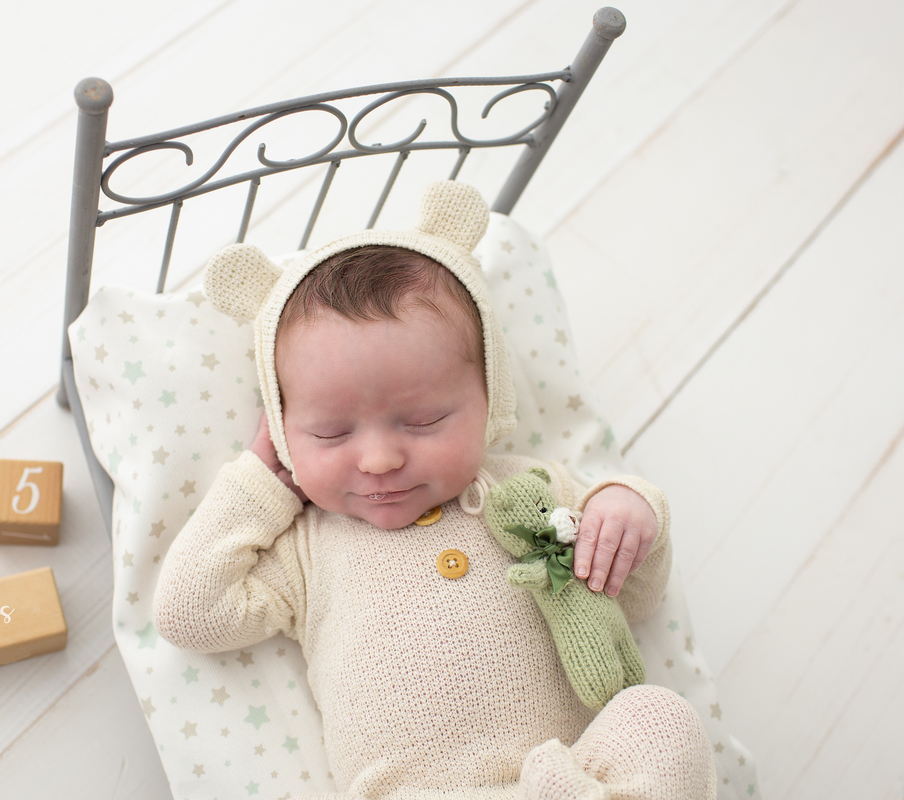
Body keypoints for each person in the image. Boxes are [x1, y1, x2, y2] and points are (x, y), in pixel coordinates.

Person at [155, 182, 715, 799]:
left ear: (488, 402)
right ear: (286, 434)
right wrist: (261, 483)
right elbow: (188, 613)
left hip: (572, 775)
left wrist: (628, 512)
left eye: (423, 422)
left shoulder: (529, 488)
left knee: (659, 719)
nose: (379, 458)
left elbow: (633, 599)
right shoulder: (308, 550)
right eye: (331, 431)